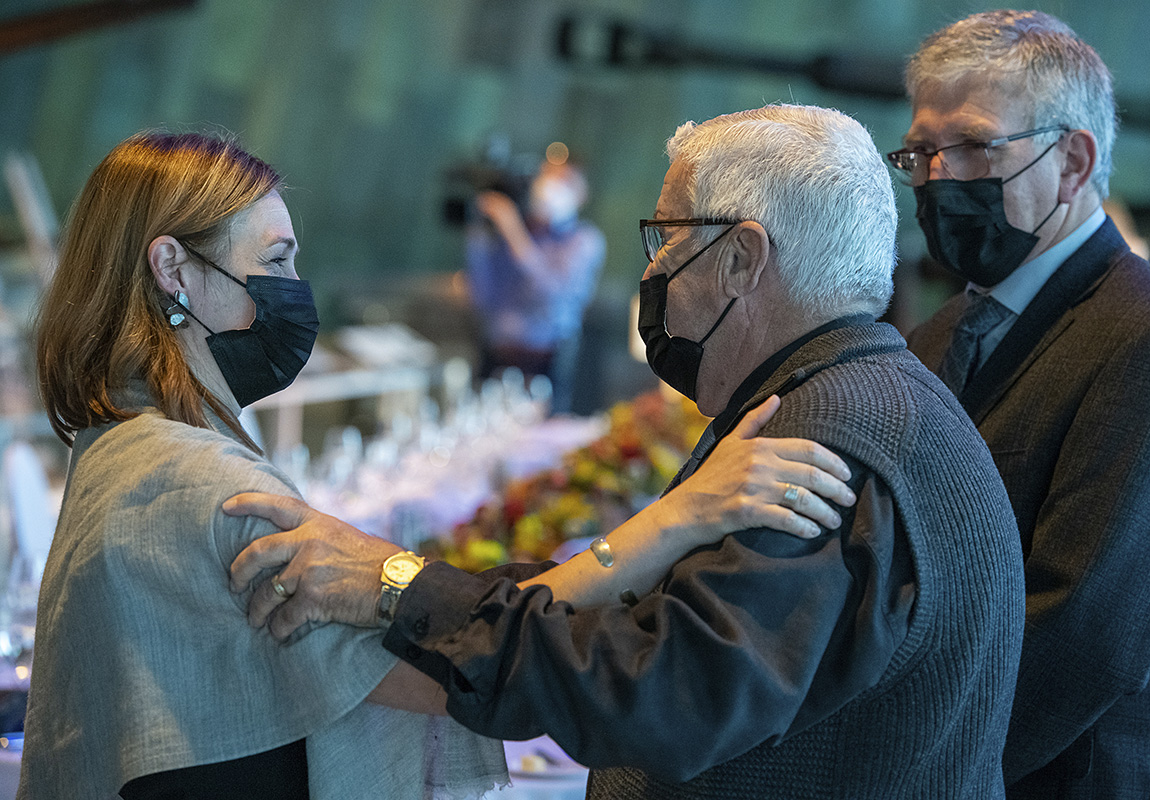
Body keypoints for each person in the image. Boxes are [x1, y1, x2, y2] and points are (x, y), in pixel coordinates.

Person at [229, 104, 1026, 798]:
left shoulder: (826, 440)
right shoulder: (858, 395)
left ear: (743, 258)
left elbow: (660, 690)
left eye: (667, 238)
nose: (652, 269)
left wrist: (400, 586)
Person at [18, 131, 837, 800]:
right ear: (173, 270)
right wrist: (681, 517)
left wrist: (393, 575)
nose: (293, 290)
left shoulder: (124, 441)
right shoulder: (198, 482)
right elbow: (455, 661)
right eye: (273, 263)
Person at [886, 10, 1150, 796]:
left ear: (1072, 160)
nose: (937, 178)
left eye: (974, 146)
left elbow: (1088, 633)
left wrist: (909, 763)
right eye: (922, 152)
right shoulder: (939, 332)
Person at [465, 159, 605, 413]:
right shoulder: (511, 233)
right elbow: (483, 295)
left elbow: (552, 294)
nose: (550, 187)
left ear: (582, 195)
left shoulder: (584, 240)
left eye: (564, 181)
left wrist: (513, 231)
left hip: (545, 364)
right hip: (495, 358)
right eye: (547, 176)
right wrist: (480, 231)